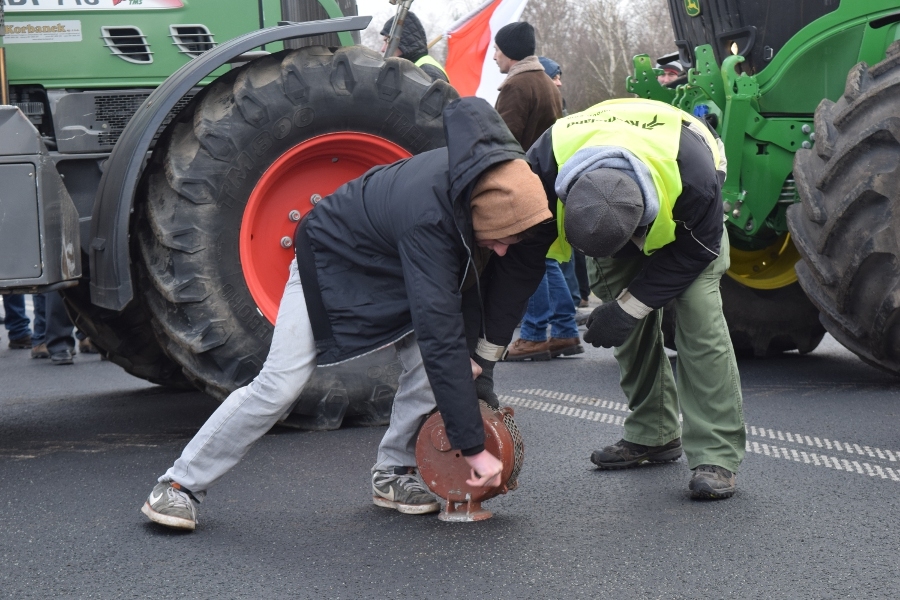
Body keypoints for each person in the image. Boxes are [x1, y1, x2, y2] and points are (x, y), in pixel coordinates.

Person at [140, 97, 555, 530]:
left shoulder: (491, 192)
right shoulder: (430, 217)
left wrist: (479, 360)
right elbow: (439, 329)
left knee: (436, 372)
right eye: (500, 239)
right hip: (330, 259)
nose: (504, 249)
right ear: (478, 217)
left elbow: (482, 293)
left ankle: (393, 473)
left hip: (396, 264)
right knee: (281, 383)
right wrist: (472, 447)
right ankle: (178, 485)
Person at [527, 98, 745, 499]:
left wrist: (631, 307)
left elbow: (698, 250)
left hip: (687, 228)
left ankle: (717, 454)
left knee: (699, 321)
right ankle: (654, 433)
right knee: (620, 324)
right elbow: (518, 261)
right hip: (609, 208)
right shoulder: (540, 167)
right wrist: (485, 350)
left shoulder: (695, 175)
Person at [492, 21, 561, 152]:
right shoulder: (548, 83)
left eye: (497, 50)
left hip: (523, 169)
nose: (494, 57)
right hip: (544, 170)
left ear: (509, 51)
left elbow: (504, 144)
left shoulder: (516, 86)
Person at [380, 12, 449, 83]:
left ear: (404, 41)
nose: (382, 49)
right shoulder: (409, 67)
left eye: (387, 41)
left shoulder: (428, 72)